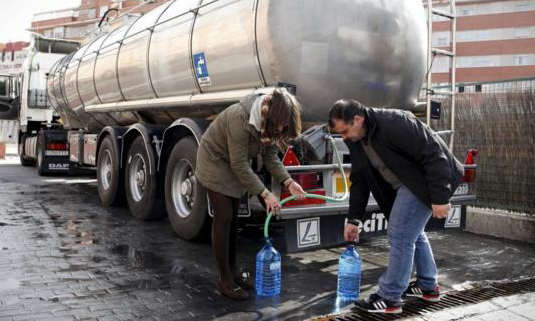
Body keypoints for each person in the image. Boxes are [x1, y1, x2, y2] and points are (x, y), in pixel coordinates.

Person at [328, 99, 464, 314]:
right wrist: (354, 219)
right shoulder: (356, 139)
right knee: (413, 233)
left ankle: (389, 297)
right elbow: (360, 179)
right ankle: (428, 286)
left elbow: (434, 154)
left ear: (358, 119)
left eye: (345, 131)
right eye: (340, 135)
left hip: (425, 182)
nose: (344, 138)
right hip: (404, 186)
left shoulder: (394, 122)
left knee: (400, 235)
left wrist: (440, 196)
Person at [195, 87, 306, 300]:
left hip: (233, 165)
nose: (281, 128)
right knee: (224, 216)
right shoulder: (240, 117)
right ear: (271, 113)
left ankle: (234, 272)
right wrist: (265, 194)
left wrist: (288, 182)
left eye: (285, 124)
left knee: (234, 219)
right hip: (214, 160)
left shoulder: (271, 122)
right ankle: (224, 281)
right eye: (280, 124)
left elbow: (271, 157)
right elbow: (239, 163)